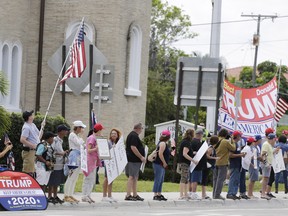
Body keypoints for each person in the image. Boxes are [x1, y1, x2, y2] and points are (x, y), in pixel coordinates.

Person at [63, 120, 86, 203]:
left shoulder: (77, 136)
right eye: (81, 127)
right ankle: (66, 195)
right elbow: (79, 143)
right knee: (71, 176)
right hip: (74, 157)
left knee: (75, 177)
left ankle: (70, 194)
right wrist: (82, 136)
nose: (82, 129)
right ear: (78, 128)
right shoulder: (72, 135)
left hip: (78, 157)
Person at [47, 125, 70, 204]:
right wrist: (62, 153)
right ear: (61, 131)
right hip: (54, 163)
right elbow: (51, 150)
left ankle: (55, 196)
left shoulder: (60, 140)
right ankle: (50, 196)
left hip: (59, 164)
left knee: (56, 181)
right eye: (65, 130)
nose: (66, 132)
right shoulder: (55, 140)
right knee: (52, 180)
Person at [81, 123, 103, 203]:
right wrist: (96, 148)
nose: (101, 132)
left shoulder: (95, 138)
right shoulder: (92, 138)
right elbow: (89, 150)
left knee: (92, 179)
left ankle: (88, 195)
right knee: (88, 178)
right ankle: (84, 196)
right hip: (89, 161)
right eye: (101, 130)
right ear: (99, 130)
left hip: (93, 161)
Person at [213, 128, 236, 200]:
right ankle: (217, 194)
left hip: (215, 161)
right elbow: (233, 148)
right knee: (221, 179)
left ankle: (214, 194)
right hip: (223, 162)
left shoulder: (216, 140)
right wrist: (232, 140)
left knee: (215, 179)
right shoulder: (225, 142)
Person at [125, 123, 145, 201]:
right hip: (133, 160)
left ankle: (135, 194)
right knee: (132, 177)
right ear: (138, 129)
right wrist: (141, 157)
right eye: (141, 129)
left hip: (135, 160)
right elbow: (133, 147)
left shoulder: (134, 135)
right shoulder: (133, 136)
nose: (141, 130)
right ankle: (128, 195)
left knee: (135, 177)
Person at [20, 110, 44, 176]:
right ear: (29, 117)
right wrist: (33, 145)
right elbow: (22, 139)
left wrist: (42, 126)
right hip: (29, 151)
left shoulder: (33, 125)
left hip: (34, 152)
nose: (33, 116)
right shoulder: (26, 127)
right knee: (28, 170)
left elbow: (39, 136)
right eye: (31, 115)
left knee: (33, 170)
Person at [102, 128, 122, 202]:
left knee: (111, 179)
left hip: (113, 163)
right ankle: (104, 195)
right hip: (108, 163)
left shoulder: (115, 143)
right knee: (107, 178)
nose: (113, 135)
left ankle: (110, 195)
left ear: (117, 135)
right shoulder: (108, 142)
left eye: (115, 134)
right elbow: (105, 151)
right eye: (112, 133)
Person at [177, 129, 198, 200]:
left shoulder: (185, 141)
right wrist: (193, 160)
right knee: (183, 178)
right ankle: (181, 194)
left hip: (184, 162)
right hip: (184, 162)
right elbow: (184, 153)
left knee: (186, 178)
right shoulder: (187, 143)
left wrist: (193, 153)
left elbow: (187, 152)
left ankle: (185, 194)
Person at [152, 129, 171, 201]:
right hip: (159, 164)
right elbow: (160, 154)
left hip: (160, 164)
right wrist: (164, 163)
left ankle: (159, 194)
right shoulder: (163, 143)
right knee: (158, 179)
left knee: (161, 179)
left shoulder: (161, 142)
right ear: (168, 137)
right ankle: (155, 194)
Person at [226, 130, 245, 200]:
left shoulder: (237, 144)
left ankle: (234, 193)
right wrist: (240, 154)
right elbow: (230, 155)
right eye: (240, 136)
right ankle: (230, 193)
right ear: (237, 136)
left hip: (238, 164)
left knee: (236, 179)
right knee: (233, 179)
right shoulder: (233, 144)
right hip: (234, 164)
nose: (240, 137)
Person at [260, 132, 278, 200]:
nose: (275, 141)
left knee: (266, 179)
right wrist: (266, 163)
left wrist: (274, 151)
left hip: (269, 164)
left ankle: (264, 193)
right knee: (265, 179)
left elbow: (269, 153)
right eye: (274, 140)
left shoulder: (269, 145)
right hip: (266, 164)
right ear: (272, 139)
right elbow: (264, 154)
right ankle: (263, 194)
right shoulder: (266, 144)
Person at [189, 129, 205, 200]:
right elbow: (200, 152)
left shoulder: (191, 141)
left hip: (191, 162)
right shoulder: (198, 142)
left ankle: (190, 192)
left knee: (191, 178)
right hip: (197, 163)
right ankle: (193, 192)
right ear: (200, 135)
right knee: (195, 179)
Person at [202, 135, 219, 199]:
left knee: (205, 178)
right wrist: (215, 158)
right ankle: (204, 194)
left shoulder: (212, 147)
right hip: (207, 164)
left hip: (209, 164)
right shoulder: (211, 148)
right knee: (205, 178)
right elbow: (207, 156)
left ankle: (204, 193)